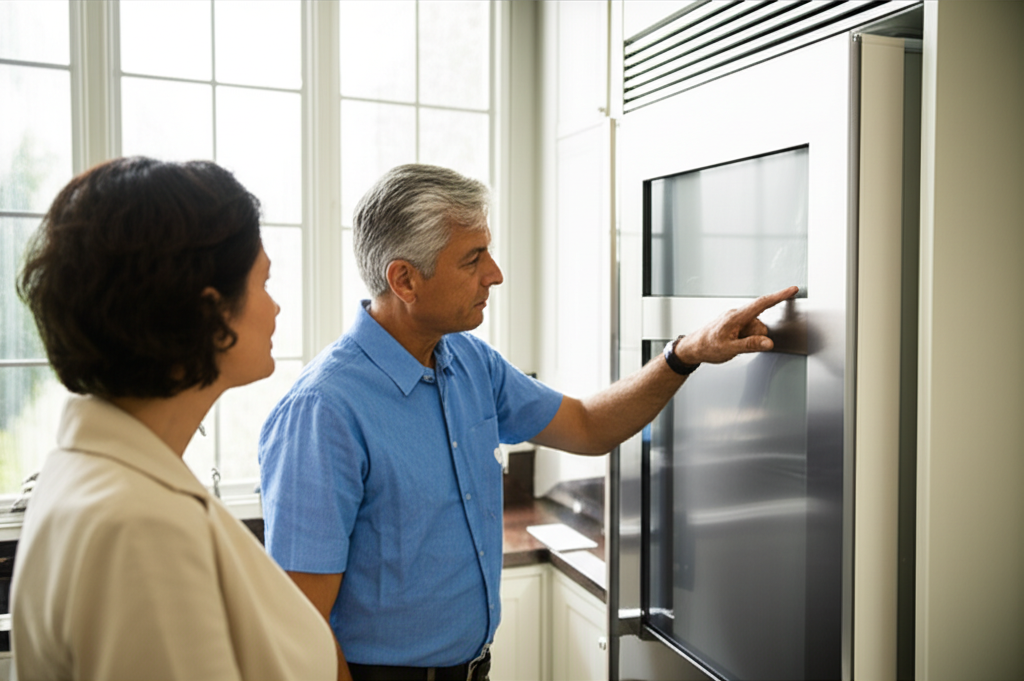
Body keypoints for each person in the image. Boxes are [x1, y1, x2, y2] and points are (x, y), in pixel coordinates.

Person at [258, 163, 797, 681]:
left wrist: (685, 353)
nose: (494, 274)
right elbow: (300, 627)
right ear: (404, 279)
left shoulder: (469, 361)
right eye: (473, 259)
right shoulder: (322, 411)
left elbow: (587, 425)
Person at [11, 157, 337, 680]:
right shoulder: (142, 530)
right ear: (211, 312)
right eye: (263, 283)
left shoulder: (98, 475)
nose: (275, 308)